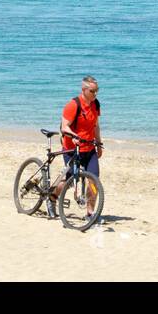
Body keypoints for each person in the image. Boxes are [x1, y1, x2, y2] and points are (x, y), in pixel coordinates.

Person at [48, 75, 103, 219]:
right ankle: (52, 198)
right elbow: (65, 127)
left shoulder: (95, 104)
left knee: (94, 180)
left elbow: (96, 125)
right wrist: (74, 137)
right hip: (72, 149)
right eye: (92, 91)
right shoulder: (73, 105)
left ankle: (90, 212)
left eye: (97, 90)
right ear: (84, 89)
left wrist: (99, 143)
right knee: (70, 180)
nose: (95, 94)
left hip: (89, 148)